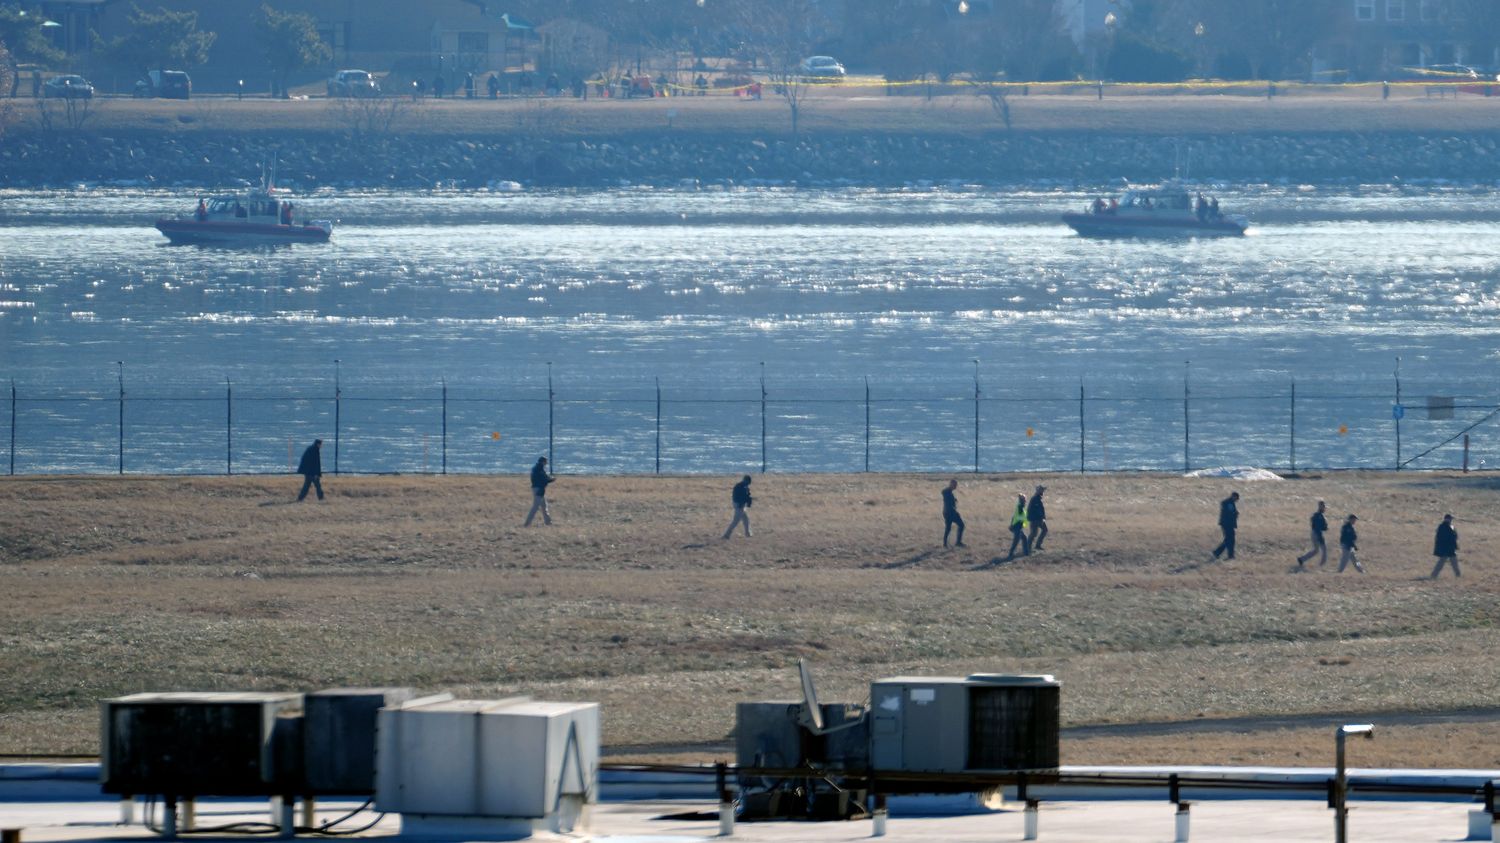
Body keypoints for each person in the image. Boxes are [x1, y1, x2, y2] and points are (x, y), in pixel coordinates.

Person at [1295, 500, 1329, 569]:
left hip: (1314, 533)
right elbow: (1318, 528)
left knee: (1316, 550)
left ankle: (1301, 559)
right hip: (1317, 534)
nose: (1324, 508)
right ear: (1320, 507)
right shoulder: (1319, 516)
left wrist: (1324, 527)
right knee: (1324, 550)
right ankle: (1322, 566)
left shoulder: (1317, 515)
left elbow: (1316, 525)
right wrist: (1320, 537)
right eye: (1323, 506)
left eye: (1324, 507)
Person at [524, 456, 554, 526]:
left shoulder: (536, 468)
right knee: (535, 507)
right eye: (546, 462)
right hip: (539, 489)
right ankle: (527, 524)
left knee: (544, 506)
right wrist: (551, 479)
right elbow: (544, 479)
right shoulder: (539, 469)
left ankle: (548, 522)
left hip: (538, 489)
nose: (546, 463)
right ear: (543, 462)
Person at [723, 475, 753, 539]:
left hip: (741, 505)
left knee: (745, 519)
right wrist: (741, 503)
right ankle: (726, 535)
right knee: (736, 521)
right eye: (747, 481)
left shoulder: (744, 487)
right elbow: (737, 497)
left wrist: (748, 501)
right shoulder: (739, 487)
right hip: (738, 505)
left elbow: (747, 496)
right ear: (745, 480)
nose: (748, 483)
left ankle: (747, 533)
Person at [1211, 491, 1239, 560]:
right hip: (1227, 524)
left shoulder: (1229, 502)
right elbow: (1230, 513)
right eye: (1236, 498)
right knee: (1229, 539)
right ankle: (1220, 553)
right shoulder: (1228, 502)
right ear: (1233, 496)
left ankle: (1228, 555)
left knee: (1230, 540)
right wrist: (1235, 513)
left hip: (1228, 524)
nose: (1237, 500)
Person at [1431, 514, 1460, 578]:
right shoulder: (1442, 527)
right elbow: (1443, 538)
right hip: (1446, 548)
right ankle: (1434, 575)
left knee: (1453, 562)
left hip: (1450, 548)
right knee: (1443, 562)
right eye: (1450, 519)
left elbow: (1455, 535)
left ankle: (1458, 575)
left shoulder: (1449, 526)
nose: (1451, 520)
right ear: (1447, 519)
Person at [1005, 493, 1031, 560]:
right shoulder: (1020, 507)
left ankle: (1026, 552)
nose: (1025, 501)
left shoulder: (1020, 507)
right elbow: (1020, 518)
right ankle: (1011, 554)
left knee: (1024, 538)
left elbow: (1016, 517)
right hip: (1017, 527)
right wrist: (1026, 519)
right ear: (1022, 500)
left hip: (1018, 527)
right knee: (1016, 541)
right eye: (1024, 500)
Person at [941, 479, 964, 548]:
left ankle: (945, 543)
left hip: (948, 512)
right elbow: (943, 492)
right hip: (950, 512)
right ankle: (958, 542)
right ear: (951, 484)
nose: (955, 487)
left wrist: (954, 500)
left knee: (948, 528)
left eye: (956, 485)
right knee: (961, 525)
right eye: (954, 485)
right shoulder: (947, 491)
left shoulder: (949, 492)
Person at [1026, 485, 1048, 551]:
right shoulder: (1035, 499)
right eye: (1042, 490)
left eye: (1043, 490)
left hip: (1038, 519)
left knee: (1039, 532)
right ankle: (1029, 547)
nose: (1043, 491)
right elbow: (1037, 510)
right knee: (1034, 533)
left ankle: (1035, 546)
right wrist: (1042, 518)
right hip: (1035, 519)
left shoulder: (1037, 498)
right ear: (1038, 491)